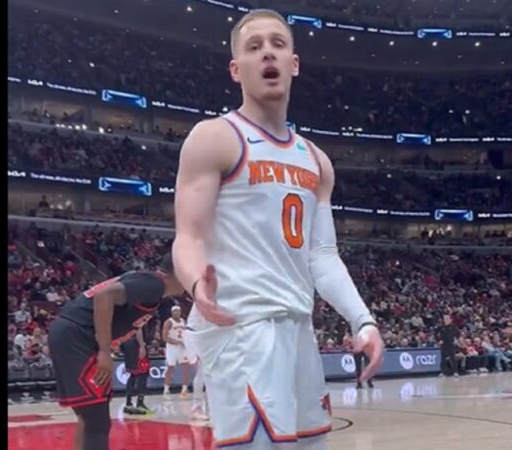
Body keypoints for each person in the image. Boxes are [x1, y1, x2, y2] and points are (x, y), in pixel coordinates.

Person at [172, 9, 384, 450]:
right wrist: (197, 285)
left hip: (298, 329)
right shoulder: (215, 137)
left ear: (294, 62)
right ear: (236, 69)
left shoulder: (317, 160)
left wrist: (361, 318)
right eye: (253, 47)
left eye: (277, 44)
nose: (266, 52)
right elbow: (187, 236)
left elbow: (322, 255)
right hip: (242, 326)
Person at [47, 254, 185, 450]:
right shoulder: (154, 284)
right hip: (77, 337)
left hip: (72, 334)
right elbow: (105, 296)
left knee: (89, 417)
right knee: (97, 422)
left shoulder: (149, 283)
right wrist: (104, 350)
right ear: (180, 272)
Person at [115, 316, 153, 415]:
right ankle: (140, 403)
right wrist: (142, 346)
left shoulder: (123, 315)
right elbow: (138, 329)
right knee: (142, 374)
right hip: (134, 345)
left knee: (133, 374)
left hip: (127, 345)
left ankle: (128, 403)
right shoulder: (137, 313)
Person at [162, 305, 192, 399]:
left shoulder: (183, 321)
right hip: (172, 347)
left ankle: (184, 390)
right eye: (175, 311)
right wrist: (176, 342)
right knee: (171, 367)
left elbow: (186, 333)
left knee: (186, 367)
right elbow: (164, 337)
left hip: (183, 347)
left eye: (178, 311)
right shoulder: (169, 322)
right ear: (172, 313)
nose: (177, 313)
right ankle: (166, 389)